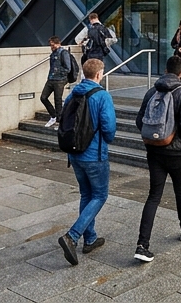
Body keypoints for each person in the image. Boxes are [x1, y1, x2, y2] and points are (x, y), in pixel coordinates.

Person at [135, 55, 181, 262]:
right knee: (180, 190)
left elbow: (139, 121)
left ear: (165, 69)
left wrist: (154, 138)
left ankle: (142, 245)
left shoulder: (151, 91)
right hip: (177, 151)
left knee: (154, 195)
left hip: (154, 150)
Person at [58, 58, 117, 266]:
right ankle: (72, 236)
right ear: (99, 74)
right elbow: (109, 129)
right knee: (100, 195)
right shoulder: (102, 96)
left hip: (74, 154)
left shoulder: (72, 94)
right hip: (95, 155)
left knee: (86, 194)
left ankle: (90, 238)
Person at [41, 37, 76, 128]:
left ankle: (59, 121)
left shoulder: (63, 53)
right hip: (51, 79)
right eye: (50, 45)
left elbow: (68, 68)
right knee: (43, 97)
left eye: (52, 45)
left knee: (58, 100)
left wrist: (59, 72)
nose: (51, 47)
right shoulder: (53, 53)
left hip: (60, 80)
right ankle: (53, 116)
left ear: (57, 43)